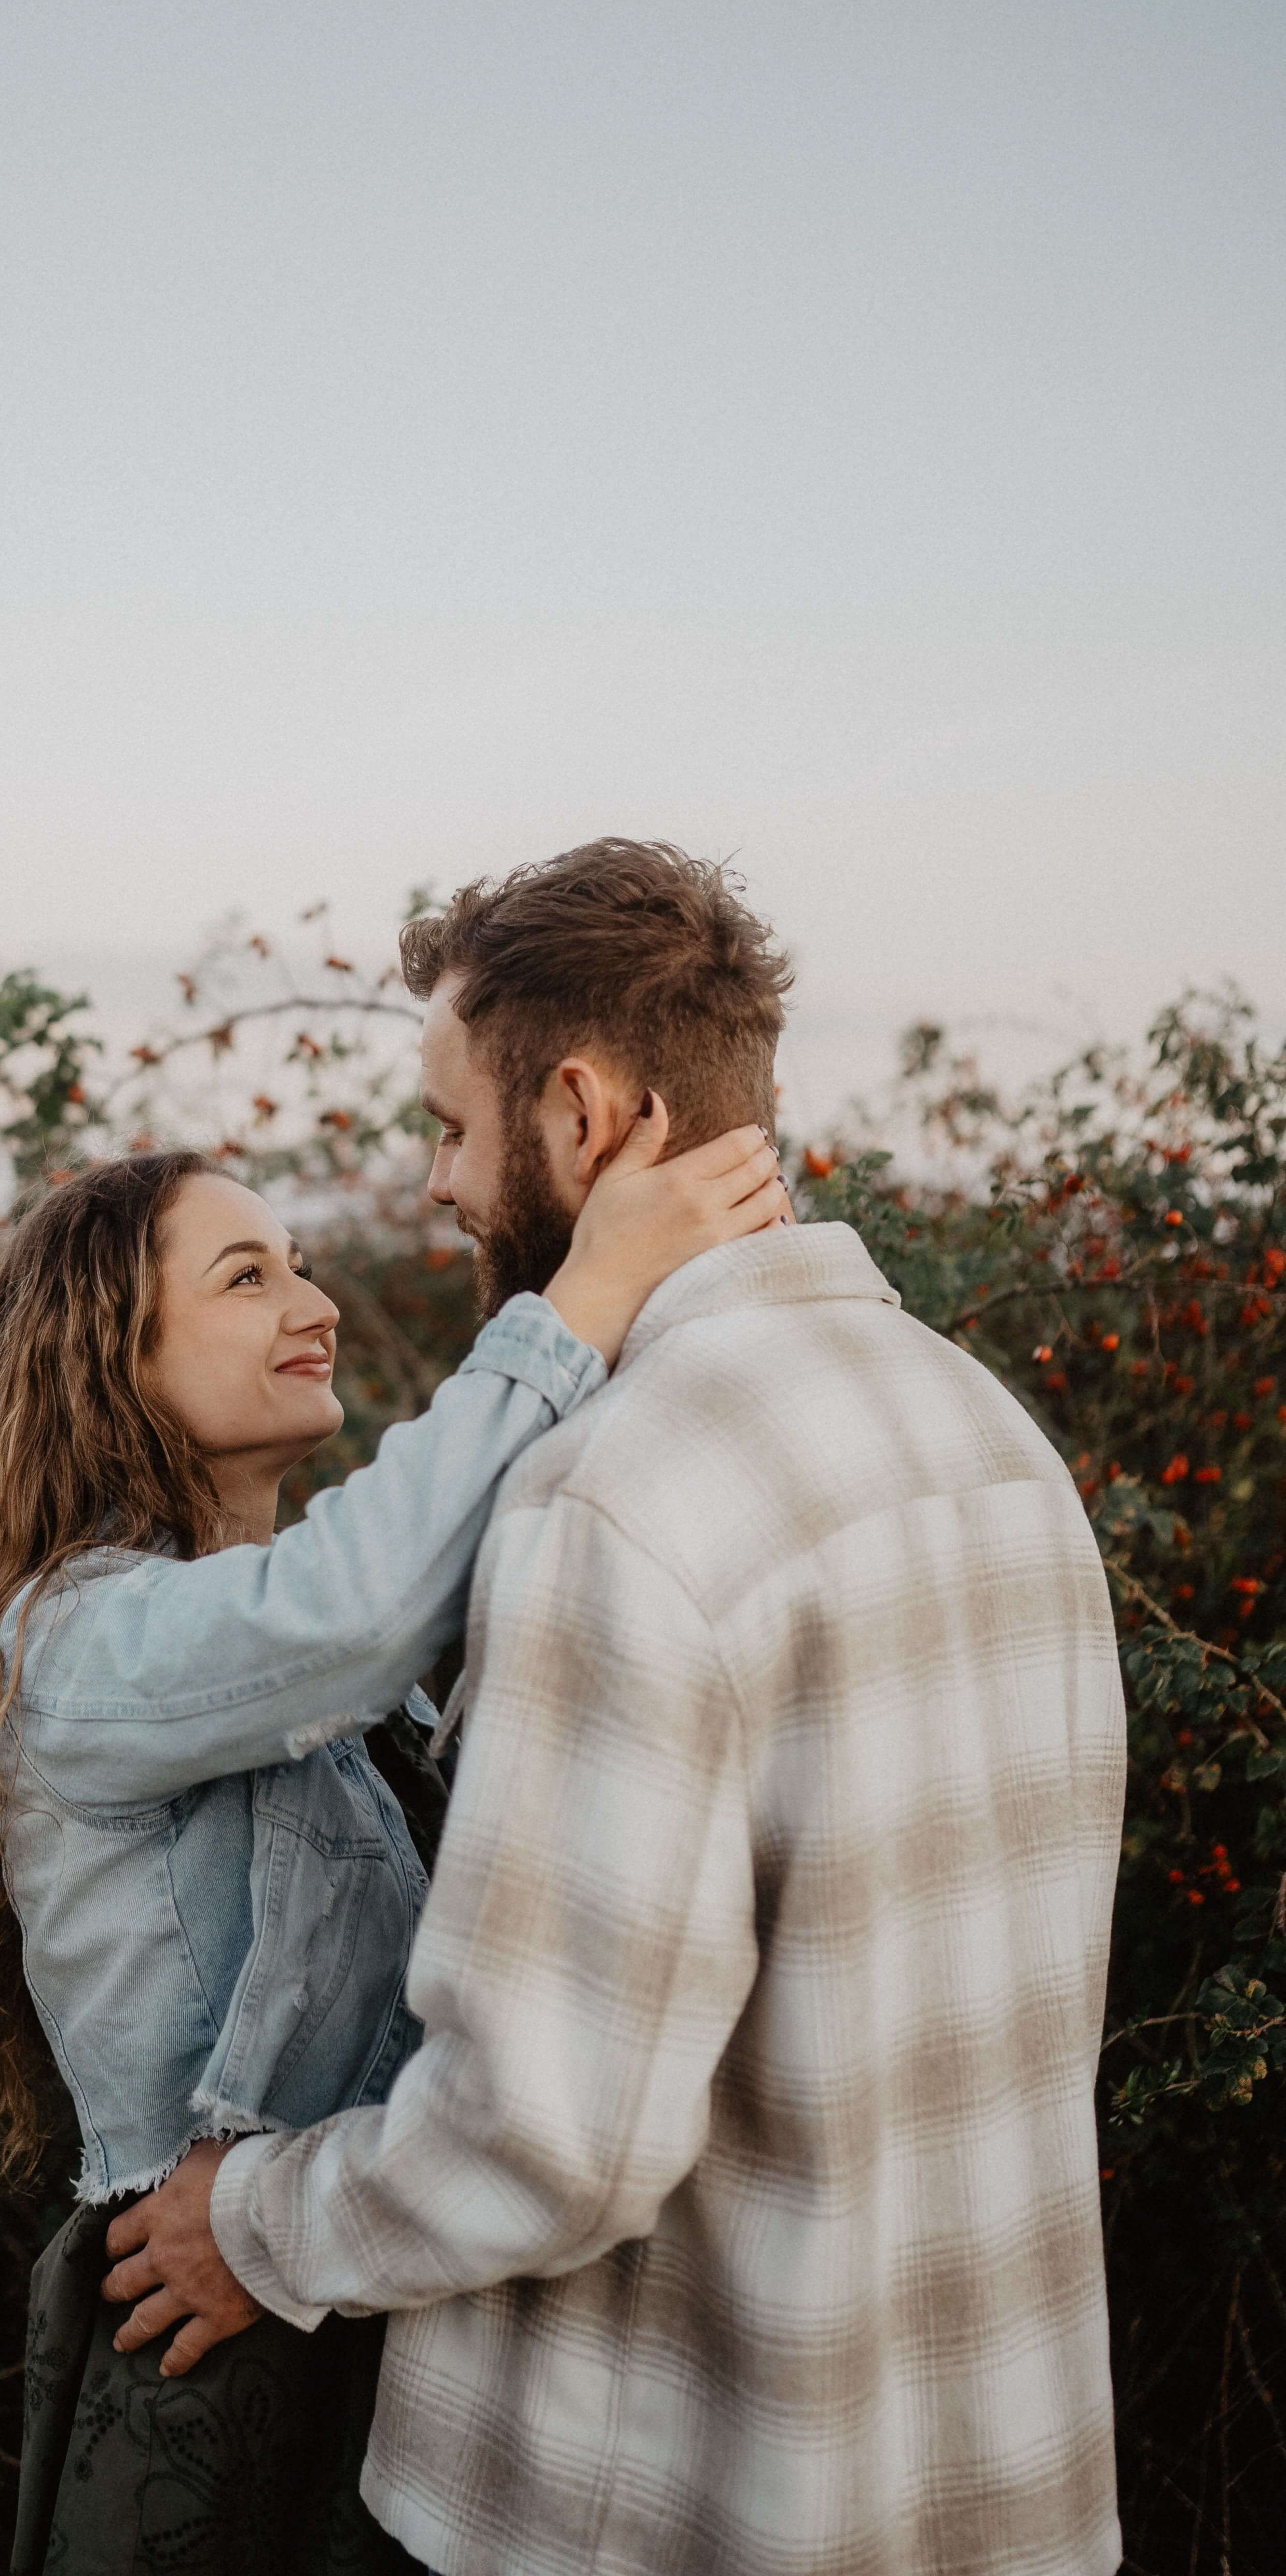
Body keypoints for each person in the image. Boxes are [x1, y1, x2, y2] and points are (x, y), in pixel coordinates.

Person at [105, 838, 1129, 2576]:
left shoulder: (615, 1498)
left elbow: (543, 2143)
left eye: (449, 1125)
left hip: (664, 2508)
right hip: (987, 2494)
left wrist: (256, 2226)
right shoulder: (988, 1437)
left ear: (580, 1114)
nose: (434, 1185)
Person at [0, 1095, 787, 2573]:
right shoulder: (83, 1643)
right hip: (206, 2330)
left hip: (350, 2285)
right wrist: (585, 1298)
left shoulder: (292, 1663)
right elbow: (350, 1610)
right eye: (248, 1278)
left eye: (299, 1263)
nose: (317, 1305)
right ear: (111, 1356)